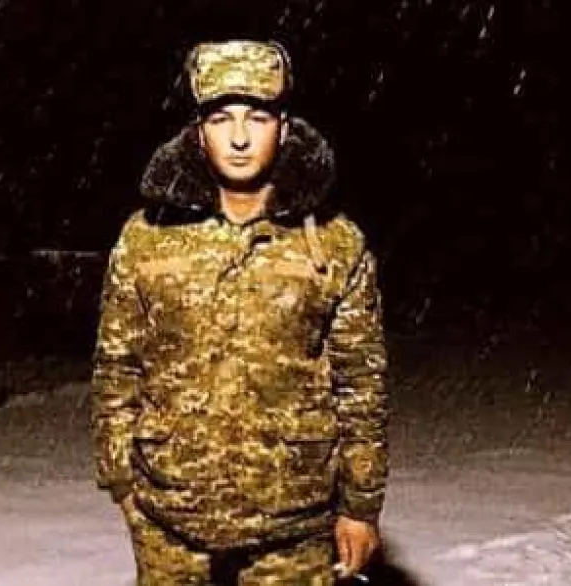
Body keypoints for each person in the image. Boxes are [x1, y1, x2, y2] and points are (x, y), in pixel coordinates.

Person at [91, 38, 389, 585]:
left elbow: (360, 385)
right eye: (221, 118)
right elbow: (117, 366)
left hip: (293, 518)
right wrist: (123, 482)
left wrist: (360, 505)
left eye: (258, 117)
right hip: (169, 512)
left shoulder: (335, 242)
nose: (240, 137)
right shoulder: (147, 238)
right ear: (198, 131)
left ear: (285, 127)